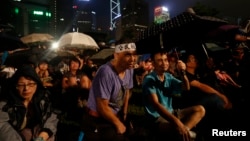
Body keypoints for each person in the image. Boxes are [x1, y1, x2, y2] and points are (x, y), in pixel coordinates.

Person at [142, 50, 205, 141]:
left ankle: (184, 131)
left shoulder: (168, 76)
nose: (164, 63)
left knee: (200, 109)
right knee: (178, 128)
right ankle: (185, 133)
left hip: (172, 113)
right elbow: (156, 105)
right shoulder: (149, 79)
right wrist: (177, 122)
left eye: (165, 60)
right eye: (160, 60)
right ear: (153, 63)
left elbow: (186, 87)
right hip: (157, 119)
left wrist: (183, 72)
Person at [85, 40, 137, 141]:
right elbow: (102, 107)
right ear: (116, 55)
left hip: (115, 115)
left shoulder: (129, 69)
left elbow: (126, 91)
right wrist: (118, 124)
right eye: (127, 55)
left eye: (134, 55)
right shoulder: (106, 72)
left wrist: (124, 114)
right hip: (98, 120)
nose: (133, 59)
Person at [0, 65, 60, 141]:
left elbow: (51, 116)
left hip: (36, 132)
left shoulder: (43, 98)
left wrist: (42, 137)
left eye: (31, 84)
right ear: (15, 86)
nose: (26, 89)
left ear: (37, 84)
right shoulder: (6, 103)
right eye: (21, 85)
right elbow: (2, 126)